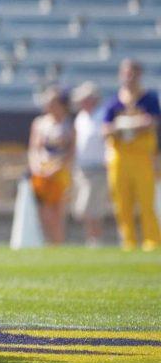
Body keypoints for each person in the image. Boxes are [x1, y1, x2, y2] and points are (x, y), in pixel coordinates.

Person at [102, 59, 160, 250]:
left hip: (142, 157)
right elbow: (106, 130)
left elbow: (151, 123)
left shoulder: (149, 98)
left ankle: (152, 240)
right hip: (119, 158)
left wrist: (126, 124)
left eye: (133, 73)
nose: (129, 77)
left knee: (146, 202)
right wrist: (130, 125)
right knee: (122, 204)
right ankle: (128, 242)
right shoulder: (114, 101)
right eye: (126, 73)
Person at [28, 86, 74, 245]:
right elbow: (34, 148)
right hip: (42, 171)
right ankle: (48, 242)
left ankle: (58, 243)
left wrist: (58, 167)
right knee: (44, 212)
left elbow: (71, 151)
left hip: (60, 172)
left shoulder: (69, 124)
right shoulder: (40, 123)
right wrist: (37, 167)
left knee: (58, 211)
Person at [70, 82, 108, 247]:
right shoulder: (81, 117)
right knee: (83, 209)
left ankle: (95, 240)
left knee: (92, 208)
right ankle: (91, 239)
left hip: (98, 167)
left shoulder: (102, 115)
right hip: (82, 168)